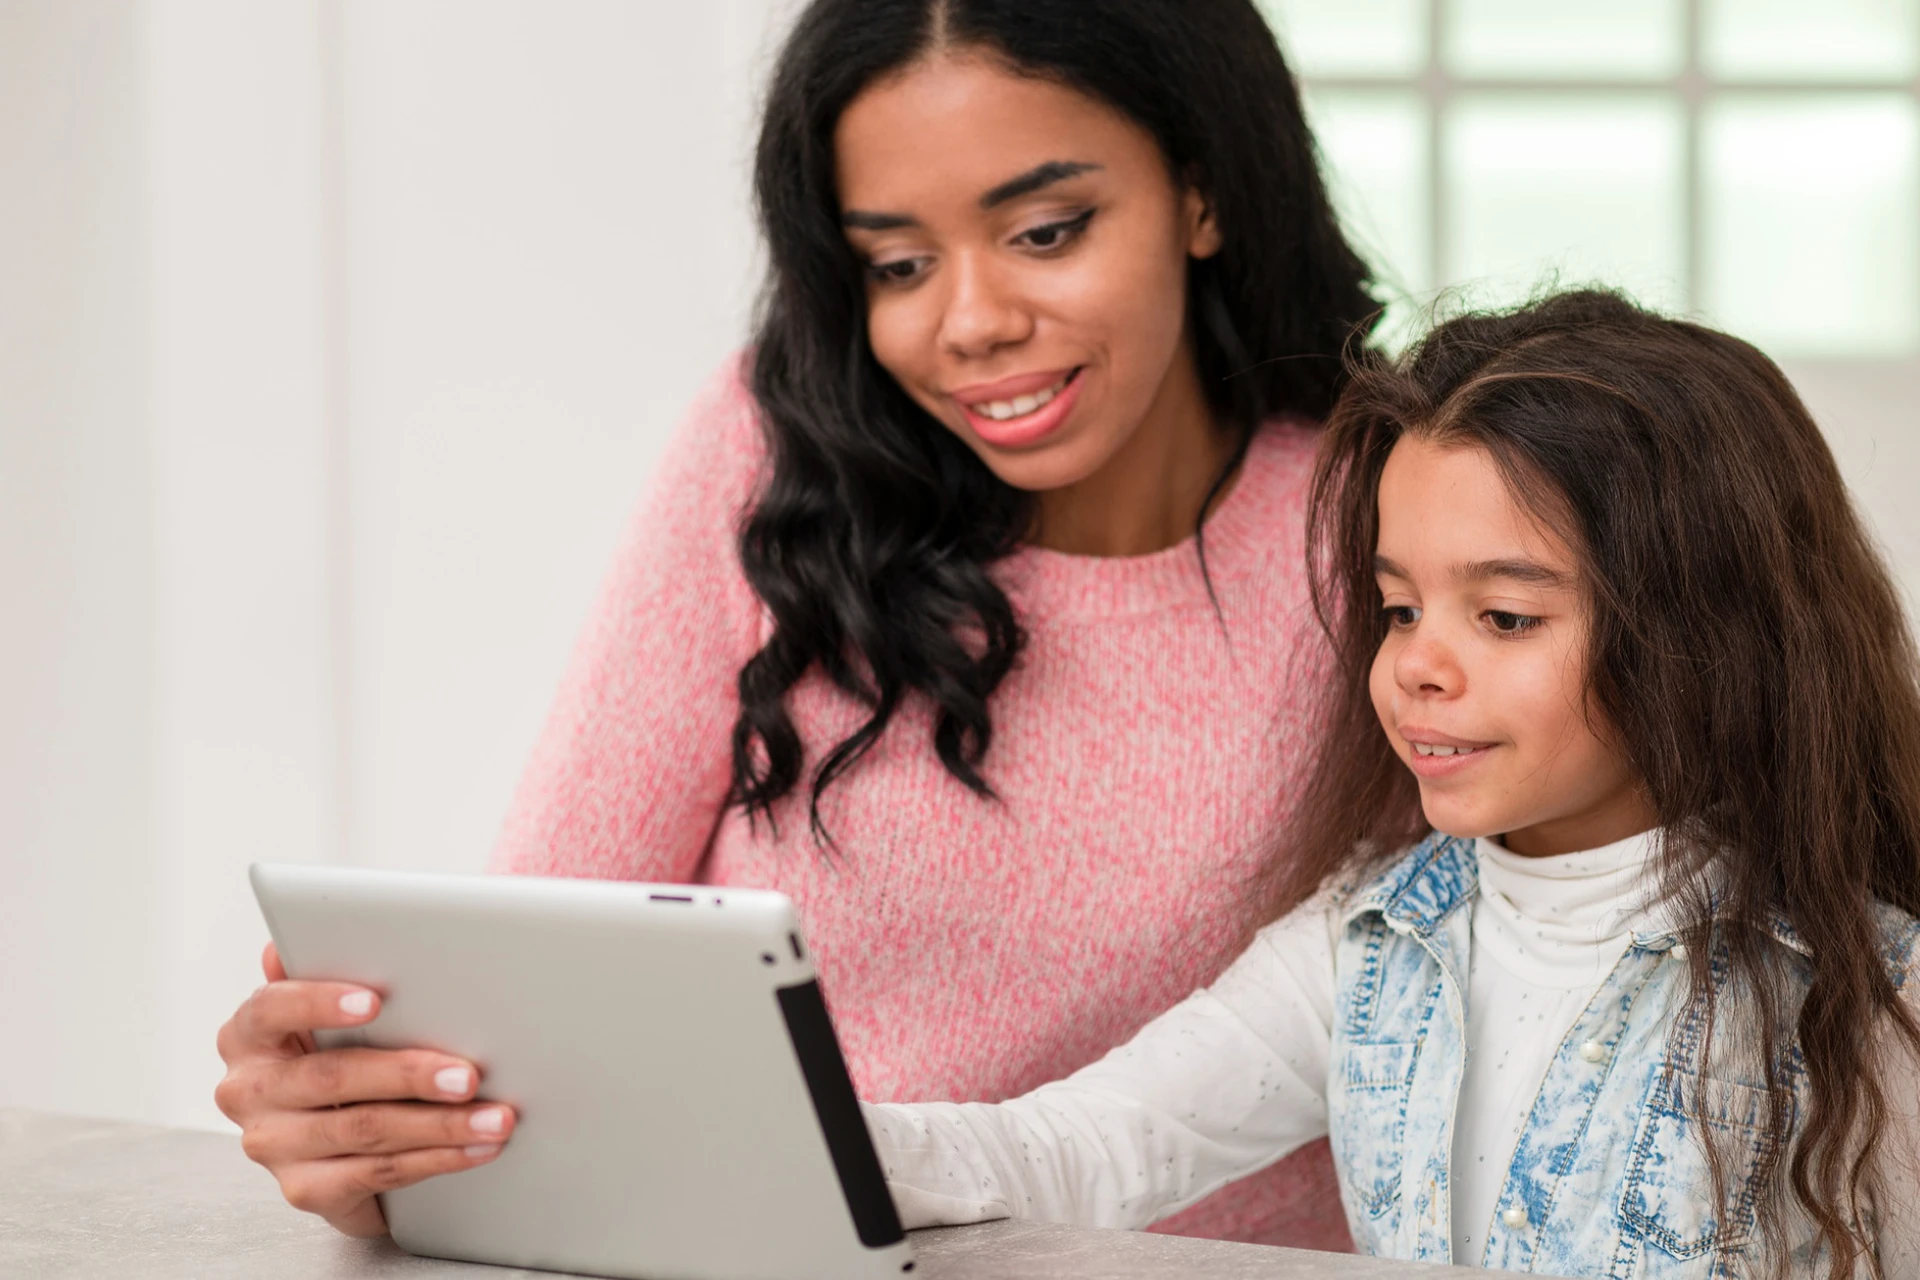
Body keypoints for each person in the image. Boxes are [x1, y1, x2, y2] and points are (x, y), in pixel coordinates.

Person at [213, 0, 1381, 1246]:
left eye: (1046, 229)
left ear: (1200, 194)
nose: (972, 320)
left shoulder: (1384, 529)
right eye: (897, 263)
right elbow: (542, 972)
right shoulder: (777, 462)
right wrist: (382, 1135)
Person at [859, 291, 1920, 1278]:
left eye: (1505, 616)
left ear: (1706, 639)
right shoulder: (1368, 935)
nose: (1416, 664)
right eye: (1401, 607)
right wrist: (794, 1123)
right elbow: (1084, 1145)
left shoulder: (1868, 995)